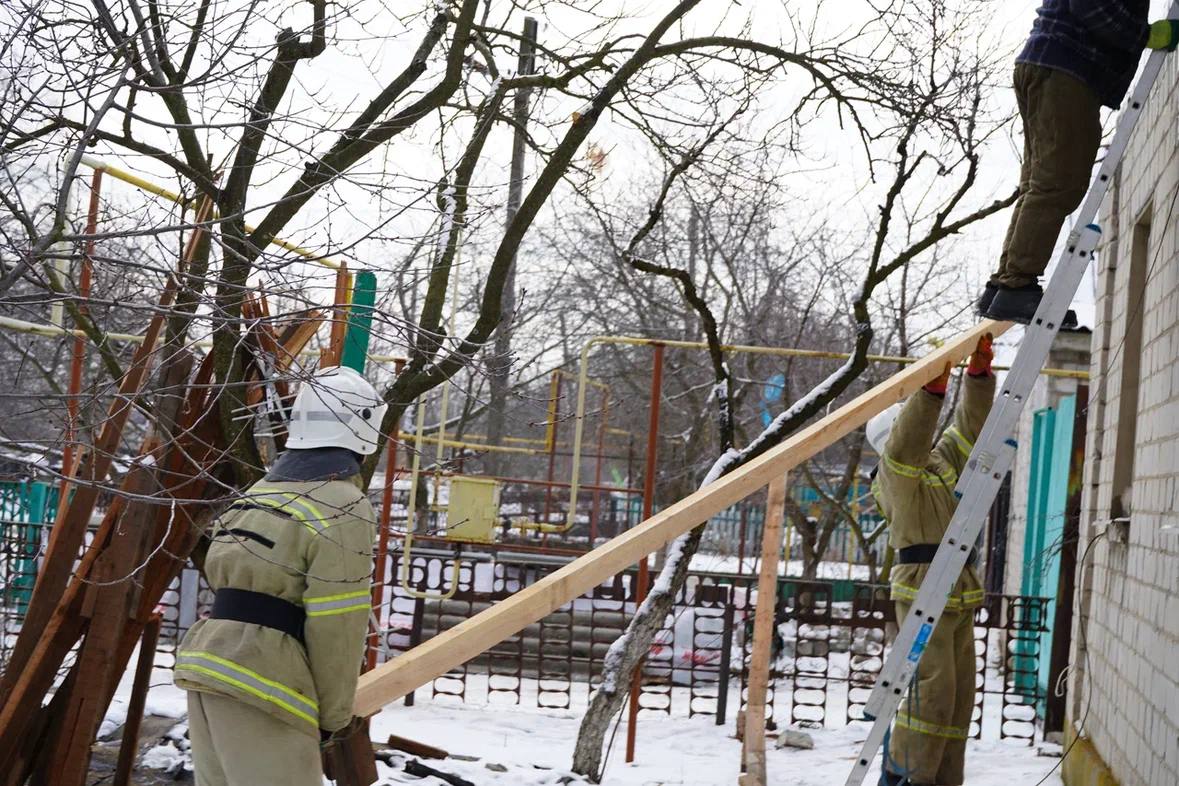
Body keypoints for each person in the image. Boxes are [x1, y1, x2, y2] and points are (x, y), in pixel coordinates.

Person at [175, 366, 386, 786]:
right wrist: (332, 716)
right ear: (364, 429)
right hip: (264, 683)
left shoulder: (259, 493)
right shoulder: (344, 505)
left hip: (210, 667)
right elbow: (338, 623)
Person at [980, 1, 1179, 323]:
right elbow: (1089, 5)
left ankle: (1005, 284)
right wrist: (1143, 35)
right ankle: (1016, 286)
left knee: (1039, 184)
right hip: (1066, 69)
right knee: (1059, 184)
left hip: (1050, 64)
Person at [865, 335, 995, 786]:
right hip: (923, 586)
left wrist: (977, 378)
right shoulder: (892, 478)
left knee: (958, 696)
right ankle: (905, 775)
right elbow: (906, 447)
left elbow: (970, 432)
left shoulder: (940, 464)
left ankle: (943, 778)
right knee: (932, 688)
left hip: (957, 582)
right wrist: (930, 393)